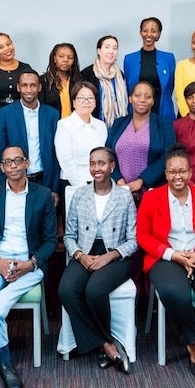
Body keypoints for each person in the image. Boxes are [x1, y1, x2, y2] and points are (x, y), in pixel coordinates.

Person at [136, 147, 195, 384]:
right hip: (166, 256)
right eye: (172, 172)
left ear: (190, 172)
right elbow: (143, 236)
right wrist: (173, 255)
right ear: (165, 173)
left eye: (182, 171)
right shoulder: (151, 197)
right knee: (173, 293)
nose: (177, 177)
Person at [0, 146, 58, 388]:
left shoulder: (42, 195)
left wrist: (29, 264)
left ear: (27, 163)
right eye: (8, 162)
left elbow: (51, 241)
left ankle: (5, 363)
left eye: (18, 161)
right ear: (2, 167)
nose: (13, 166)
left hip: (30, 263)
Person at [59, 147, 138, 372]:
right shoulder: (79, 195)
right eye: (93, 163)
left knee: (94, 291)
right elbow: (69, 235)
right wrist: (80, 256)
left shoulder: (124, 196)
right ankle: (106, 344)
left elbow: (133, 240)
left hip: (116, 254)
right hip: (85, 251)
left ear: (112, 166)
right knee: (66, 289)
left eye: (102, 163)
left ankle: (102, 344)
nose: (96, 168)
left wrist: (110, 256)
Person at [0, 70, 60, 197]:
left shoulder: (52, 114)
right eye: (24, 85)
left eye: (33, 85)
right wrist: (3, 185)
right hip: (15, 182)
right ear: (18, 87)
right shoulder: (6, 113)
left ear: (39, 87)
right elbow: (0, 152)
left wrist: (54, 188)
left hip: (44, 182)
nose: (29, 90)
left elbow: (56, 154)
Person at [107, 81, 176, 197]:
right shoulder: (118, 123)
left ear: (153, 101)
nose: (142, 100)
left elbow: (169, 155)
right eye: (137, 95)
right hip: (119, 191)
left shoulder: (164, 124)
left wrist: (142, 181)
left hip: (152, 191)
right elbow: (107, 155)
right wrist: (119, 181)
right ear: (130, 98)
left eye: (148, 96)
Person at [54, 81, 107, 189]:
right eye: (81, 98)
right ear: (73, 102)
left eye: (90, 98)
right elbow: (65, 160)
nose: (86, 102)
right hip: (72, 183)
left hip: (98, 183)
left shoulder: (101, 126)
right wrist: (82, 187)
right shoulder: (64, 125)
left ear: (95, 102)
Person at [123, 17, 177, 119]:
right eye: (145, 31)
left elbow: (169, 88)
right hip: (136, 113)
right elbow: (129, 88)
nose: (148, 34)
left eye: (153, 31)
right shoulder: (129, 59)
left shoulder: (168, 58)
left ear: (158, 34)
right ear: (140, 32)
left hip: (163, 112)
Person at [79, 35, 128, 127]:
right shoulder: (86, 74)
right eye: (107, 47)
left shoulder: (120, 75)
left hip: (118, 127)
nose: (111, 51)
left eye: (115, 48)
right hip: (93, 126)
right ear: (99, 51)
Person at [40, 42, 82, 118]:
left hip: (75, 126)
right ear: (54, 58)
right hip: (53, 126)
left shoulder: (78, 80)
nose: (65, 60)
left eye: (70, 57)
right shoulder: (44, 81)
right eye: (61, 56)